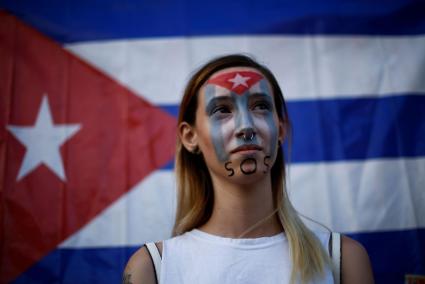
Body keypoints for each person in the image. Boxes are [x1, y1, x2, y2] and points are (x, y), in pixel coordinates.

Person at [123, 54, 374, 284]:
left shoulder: (343, 260)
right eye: (222, 110)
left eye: (260, 106)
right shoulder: (152, 268)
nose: (246, 127)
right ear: (190, 137)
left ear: (281, 129)